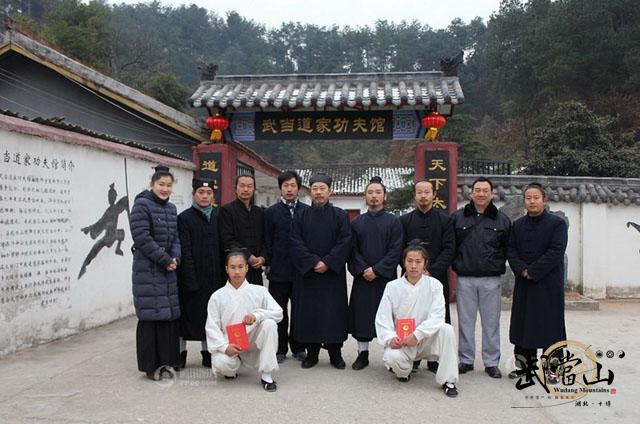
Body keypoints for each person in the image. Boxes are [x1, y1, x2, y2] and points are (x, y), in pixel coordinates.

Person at [375, 243, 459, 397]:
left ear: (425, 264)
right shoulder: (392, 286)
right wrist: (390, 338)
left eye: (418, 261)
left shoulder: (434, 285)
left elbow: (438, 316)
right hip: (402, 340)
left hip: (425, 338)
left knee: (447, 329)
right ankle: (405, 370)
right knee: (392, 358)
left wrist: (418, 335)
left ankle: (448, 380)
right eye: (410, 261)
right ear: (404, 262)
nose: (414, 266)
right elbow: (382, 318)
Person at [507, 183, 568, 381]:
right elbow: (511, 250)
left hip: (548, 284)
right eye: (528, 198)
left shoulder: (557, 224)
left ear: (544, 199)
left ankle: (553, 370)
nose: (532, 201)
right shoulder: (517, 225)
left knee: (551, 327)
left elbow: (556, 252)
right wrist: (522, 270)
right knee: (523, 326)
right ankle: (525, 368)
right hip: (524, 284)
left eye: (536, 197)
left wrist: (533, 271)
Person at [290, 173, 352, 369]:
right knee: (310, 314)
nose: (318, 192)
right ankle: (312, 353)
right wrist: (313, 262)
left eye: (322, 189)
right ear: (310, 191)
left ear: (329, 191)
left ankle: (335, 353)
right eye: (315, 189)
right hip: (308, 274)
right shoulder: (300, 216)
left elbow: (345, 241)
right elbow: (295, 242)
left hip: (332, 275)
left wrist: (328, 262)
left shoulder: (340, 216)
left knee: (333, 313)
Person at [452, 176, 511, 379]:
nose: (481, 194)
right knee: (465, 321)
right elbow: (452, 246)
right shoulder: (458, 218)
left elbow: (507, 248)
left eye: (485, 190)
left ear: (492, 193)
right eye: (478, 190)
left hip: (491, 279)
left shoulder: (501, 219)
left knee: (491, 322)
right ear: (471, 193)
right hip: (465, 277)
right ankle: (466, 359)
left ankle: (491, 362)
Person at [130, 165, 181, 380]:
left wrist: (176, 258)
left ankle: (167, 363)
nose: (165, 189)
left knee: (167, 317)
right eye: (161, 184)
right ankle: (151, 367)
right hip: (148, 270)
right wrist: (164, 259)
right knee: (151, 317)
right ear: (152, 185)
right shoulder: (142, 206)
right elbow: (141, 237)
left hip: (168, 269)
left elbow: (176, 237)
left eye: (169, 185)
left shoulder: (171, 209)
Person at [205, 251, 283, 392]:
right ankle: (233, 366)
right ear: (226, 269)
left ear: (247, 268)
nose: (237, 271)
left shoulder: (259, 291)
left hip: (253, 340)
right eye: (233, 267)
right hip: (231, 343)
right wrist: (224, 347)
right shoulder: (217, 296)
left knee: (270, 324)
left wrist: (257, 315)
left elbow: (279, 313)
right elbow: (211, 327)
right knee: (221, 363)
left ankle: (267, 375)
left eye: (240, 267)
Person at [400, 179, 455, 373]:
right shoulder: (405, 221)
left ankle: (434, 358)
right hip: (410, 278)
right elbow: (400, 250)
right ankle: (412, 356)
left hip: (436, 277)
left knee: (437, 316)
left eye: (426, 192)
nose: (423, 196)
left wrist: (432, 271)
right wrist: (411, 269)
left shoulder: (445, 220)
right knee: (410, 315)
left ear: (434, 195)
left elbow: (449, 249)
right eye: (419, 192)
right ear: (415, 195)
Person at [348, 176, 403, 370]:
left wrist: (378, 270)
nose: (374, 196)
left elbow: (396, 250)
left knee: (388, 316)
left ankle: (391, 355)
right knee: (362, 317)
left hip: (385, 279)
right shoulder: (356, 223)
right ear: (365, 196)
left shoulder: (394, 222)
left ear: (385, 196)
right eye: (370, 192)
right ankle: (362, 354)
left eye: (378, 192)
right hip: (363, 278)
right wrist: (364, 269)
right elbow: (352, 250)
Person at [177, 178, 224, 369]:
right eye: (201, 193)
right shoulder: (184, 218)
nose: (205, 196)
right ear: (193, 195)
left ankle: (207, 353)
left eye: (209, 193)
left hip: (214, 278)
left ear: (213, 195)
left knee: (211, 318)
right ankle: (180, 353)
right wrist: (189, 279)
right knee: (186, 319)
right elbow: (184, 251)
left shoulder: (219, 216)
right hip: (192, 277)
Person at [264, 170, 309, 364]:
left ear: (298, 188)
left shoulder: (307, 211)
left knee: (300, 311)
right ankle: (280, 348)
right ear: (280, 188)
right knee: (279, 312)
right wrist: (268, 263)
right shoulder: (270, 212)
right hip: (279, 271)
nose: (289, 189)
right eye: (286, 186)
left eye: (293, 186)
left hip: (301, 271)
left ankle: (298, 347)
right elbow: (266, 241)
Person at [219, 174, 266, 285]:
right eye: (242, 186)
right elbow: (227, 240)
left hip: (256, 268)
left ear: (254, 189)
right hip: (236, 269)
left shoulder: (259, 212)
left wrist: (263, 258)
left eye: (249, 186)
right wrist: (248, 256)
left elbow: (265, 238)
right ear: (235, 188)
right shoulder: (226, 211)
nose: (246, 189)